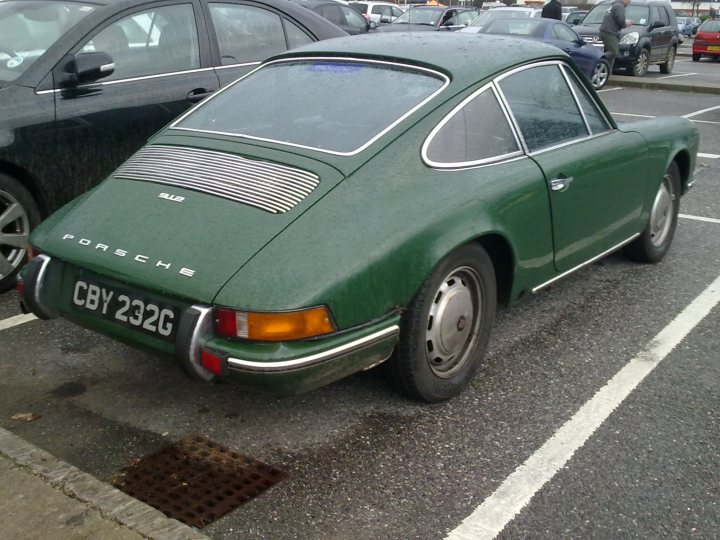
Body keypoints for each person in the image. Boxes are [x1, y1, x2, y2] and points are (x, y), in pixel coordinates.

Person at [600, 0, 632, 73]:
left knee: (612, 55)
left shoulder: (614, 5)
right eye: (629, 0)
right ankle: (597, 57)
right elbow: (620, 19)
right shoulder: (619, 6)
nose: (630, 2)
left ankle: (607, 72)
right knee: (614, 51)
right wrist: (625, 24)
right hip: (610, 32)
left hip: (605, 31)